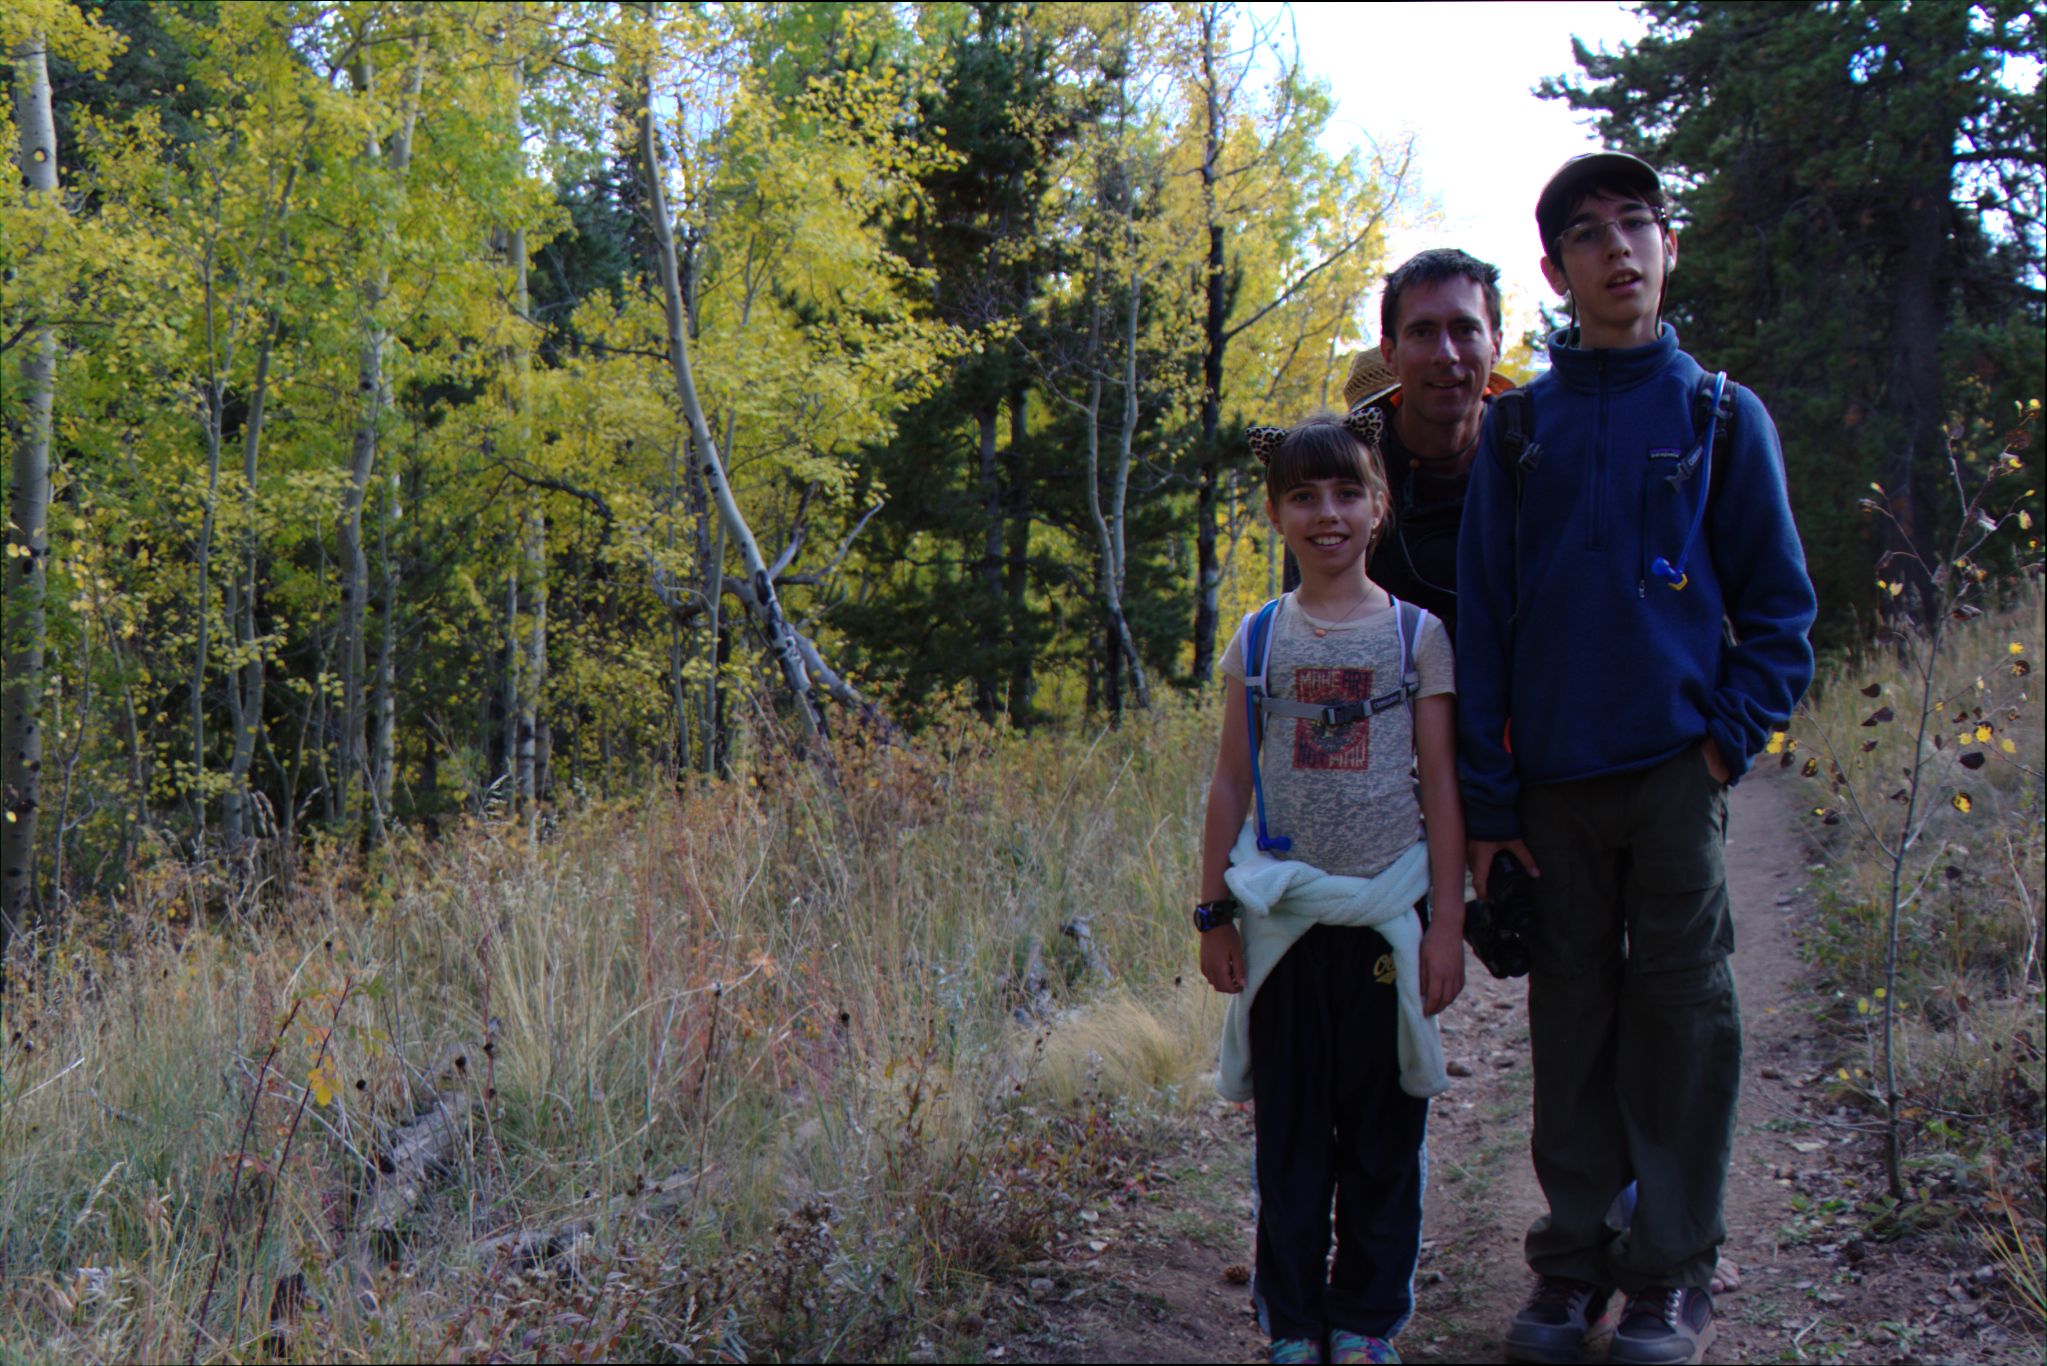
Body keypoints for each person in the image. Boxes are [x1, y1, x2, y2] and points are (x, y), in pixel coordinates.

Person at [1456, 152, 1818, 1366]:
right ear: (1556, 274)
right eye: (1588, 236)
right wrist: (1493, 797)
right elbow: (1487, 621)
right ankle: (1568, 1270)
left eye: (1637, 226)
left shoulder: (1720, 414)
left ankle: (1668, 1274)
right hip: (1551, 790)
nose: (1618, 250)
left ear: (1670, 248)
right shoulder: (1516, 432)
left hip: (1672, 777)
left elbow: (1777, 612)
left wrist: (1720, 748)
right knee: (1572, 1023)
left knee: (1682, 1020)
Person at [1196, 408, 1469, 1365]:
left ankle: (1364, 1322)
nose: (1327, 514)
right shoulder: (1261, 638)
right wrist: (1213, 912)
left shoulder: (1416, 637)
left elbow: (1440, 785)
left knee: (1384, 1135)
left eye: (1347, 492)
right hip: (1285, 926)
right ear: (1275, 515)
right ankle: (1293, 1323)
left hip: (1385, 920)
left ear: (1379, 506)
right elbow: (1230, 780)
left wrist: (1445, 927)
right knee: (1292, 1142)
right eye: (1304, 497)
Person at [1285, 248, 1514, 640]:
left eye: (1465, 329)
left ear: (1495, 344)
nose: (1446, 354)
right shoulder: (1338, 478)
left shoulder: (1538, 457)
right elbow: (1307, 634)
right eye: (1422, 332)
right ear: (1389, 354)